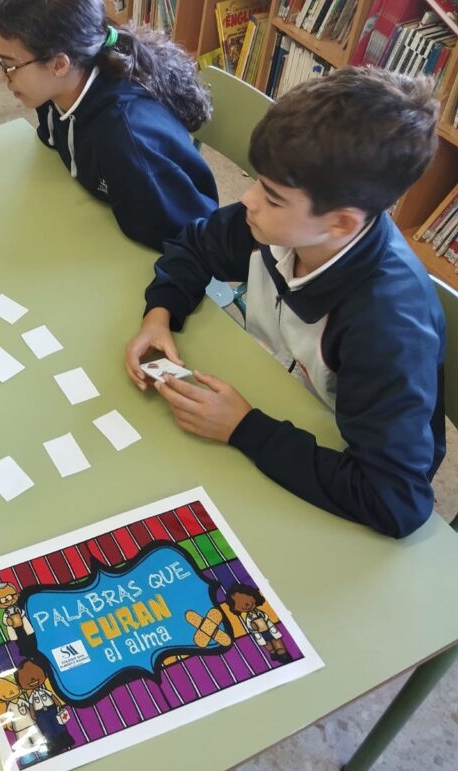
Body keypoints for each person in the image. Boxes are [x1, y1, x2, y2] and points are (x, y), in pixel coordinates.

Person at [123, 67, 445, 539]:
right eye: (258, 182)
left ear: (340, 223)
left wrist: (244, 428)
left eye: (272, 197)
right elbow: (196, 245)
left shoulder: (388, 328)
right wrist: (160, 313)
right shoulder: (289, 227)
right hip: (275, 388)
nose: (248, 200)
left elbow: (395, 499)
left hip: (331, 447)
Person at [0, 0, 218, 252]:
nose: (1, 76)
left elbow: (190, 240)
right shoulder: (53, 94)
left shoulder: (126, 140)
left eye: (9, 66)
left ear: (59, 65)